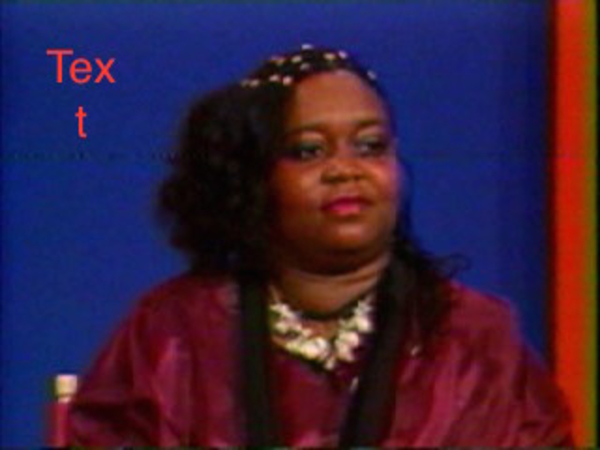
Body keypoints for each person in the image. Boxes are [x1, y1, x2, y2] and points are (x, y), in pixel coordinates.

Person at [66, 45, 572, 446]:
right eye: (309, 151)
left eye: (370, 146)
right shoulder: (172, 335)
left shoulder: (474, 340)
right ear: (255, 178)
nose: (346, 170)